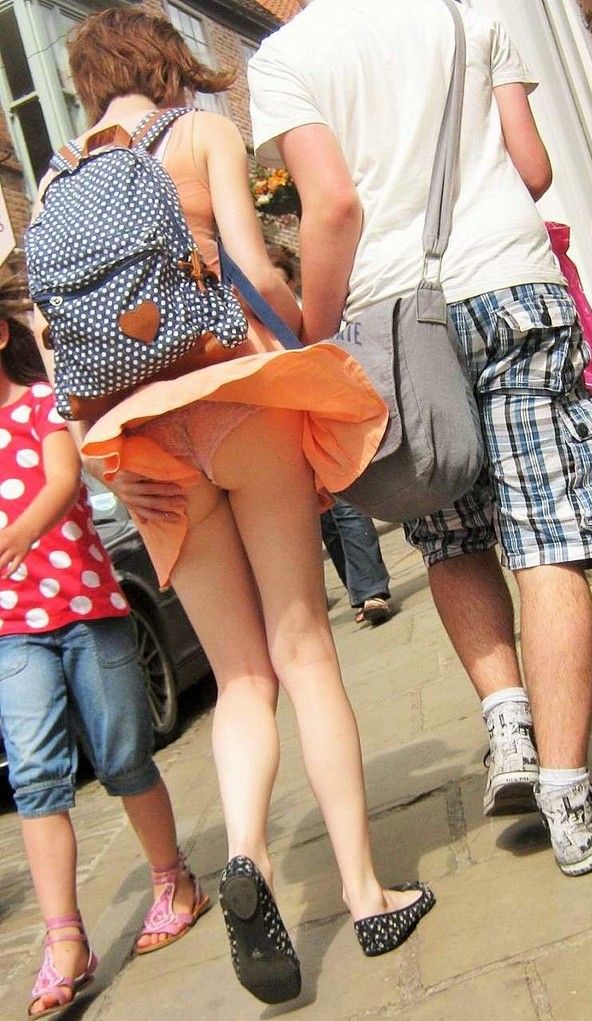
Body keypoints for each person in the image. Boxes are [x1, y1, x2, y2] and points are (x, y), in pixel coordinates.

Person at [32, 8, 434, 1007]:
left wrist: (109, 460)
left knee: (242, 676)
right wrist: (313, 339)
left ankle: (246, 852)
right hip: (238, 401)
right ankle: (365, 892)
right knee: (305, 651)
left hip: (144, 440)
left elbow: (58, 349)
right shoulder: (202, 134)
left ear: (86, 86)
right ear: (168, 62)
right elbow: (255, 275)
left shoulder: (54, 183)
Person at [248, 0, 592, 877]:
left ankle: (510, 729)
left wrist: (318, 335)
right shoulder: (470, 12)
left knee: (449, 531)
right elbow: (532, 167)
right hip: (510, 283)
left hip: (394, 323)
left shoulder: (286, 57)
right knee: (547, 534)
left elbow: (332, 205)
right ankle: (571, 799)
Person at [0, 260, 208, 1018]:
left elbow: (63, 480)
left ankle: (174, 881)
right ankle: (65, 942)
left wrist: (19, 534)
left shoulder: (40, 407)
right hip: (11, 631)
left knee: (123, 758)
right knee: (35, 779)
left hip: (87, 607)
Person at [267, 246, 393, 625]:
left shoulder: (306, 315)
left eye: (279, 281)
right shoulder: (252, 325)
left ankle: (371, 591)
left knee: (346, 505)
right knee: (324, 518)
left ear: (291, 281)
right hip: (284, 428)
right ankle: (360, 590)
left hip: (321, 416)